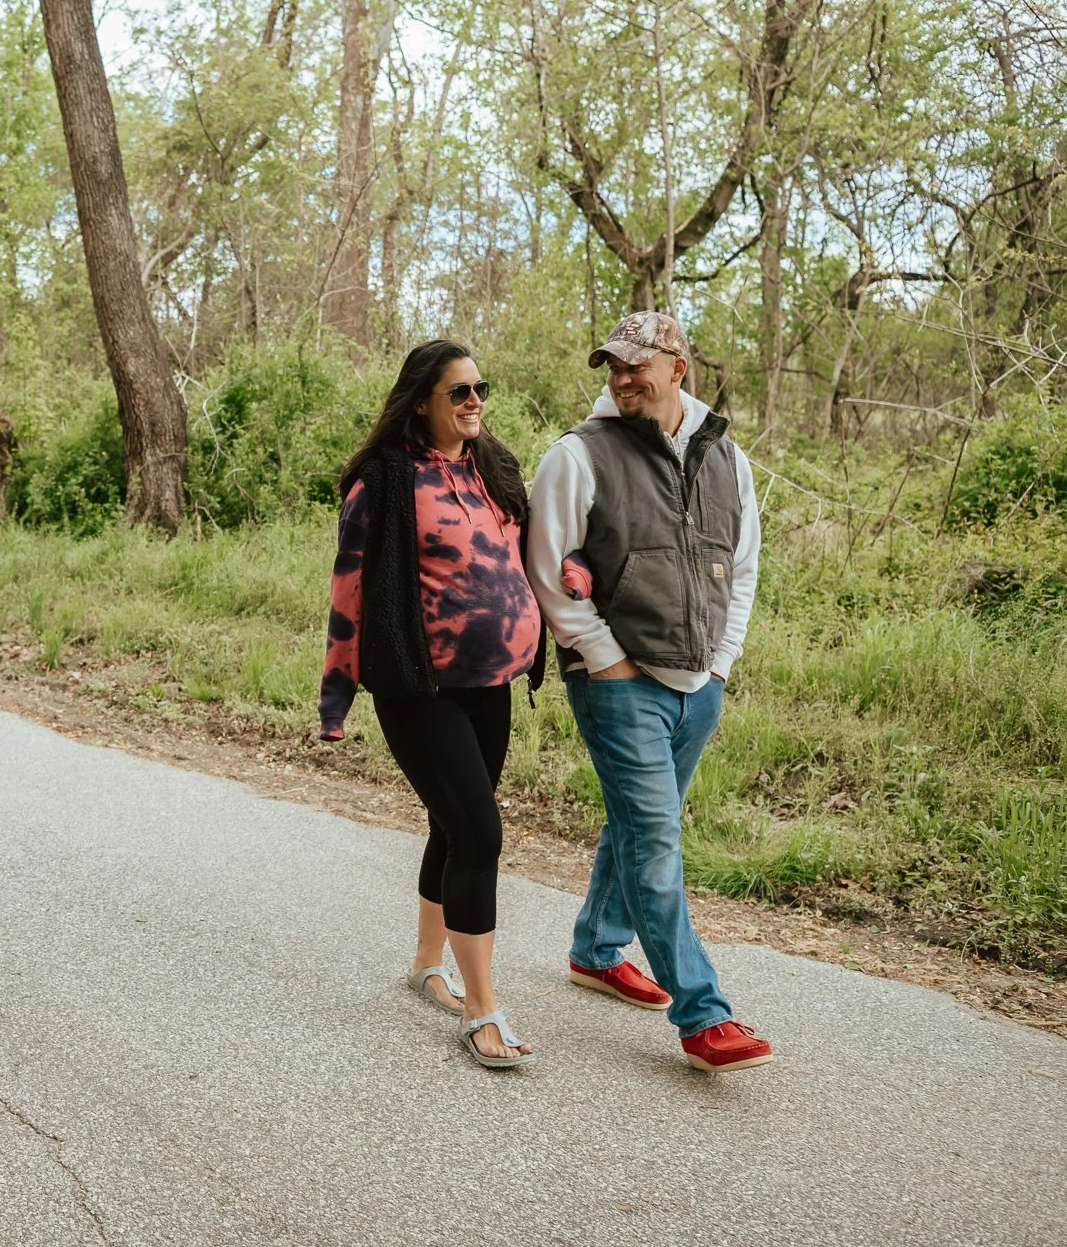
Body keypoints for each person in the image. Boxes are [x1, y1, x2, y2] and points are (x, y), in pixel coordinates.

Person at [526, 311, 773, 1073]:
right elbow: (547, 567)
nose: (623, 377)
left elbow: (743, 564)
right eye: (613, 365)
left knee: (636, 825)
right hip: (619, 681)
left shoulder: (728, 457)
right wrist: (604, 659)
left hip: (699, 683)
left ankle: (597, 949)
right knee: (656, 841)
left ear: (679, 365)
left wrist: (722, 664)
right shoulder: (577, 455)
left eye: (638, 363)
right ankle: (704, 1014)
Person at [317, 339, 544, 1068]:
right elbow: (350, 591)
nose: (476, 402)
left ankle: (427, 962)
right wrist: (336, 696)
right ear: (422, 400)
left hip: (492, 683)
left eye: (482, 388)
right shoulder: (385, 481)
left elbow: (525, 549)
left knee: (452, 826)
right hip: (421, 687)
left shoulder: (493, 465)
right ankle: (483, 1010)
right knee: (480, 833)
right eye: (460, 392)